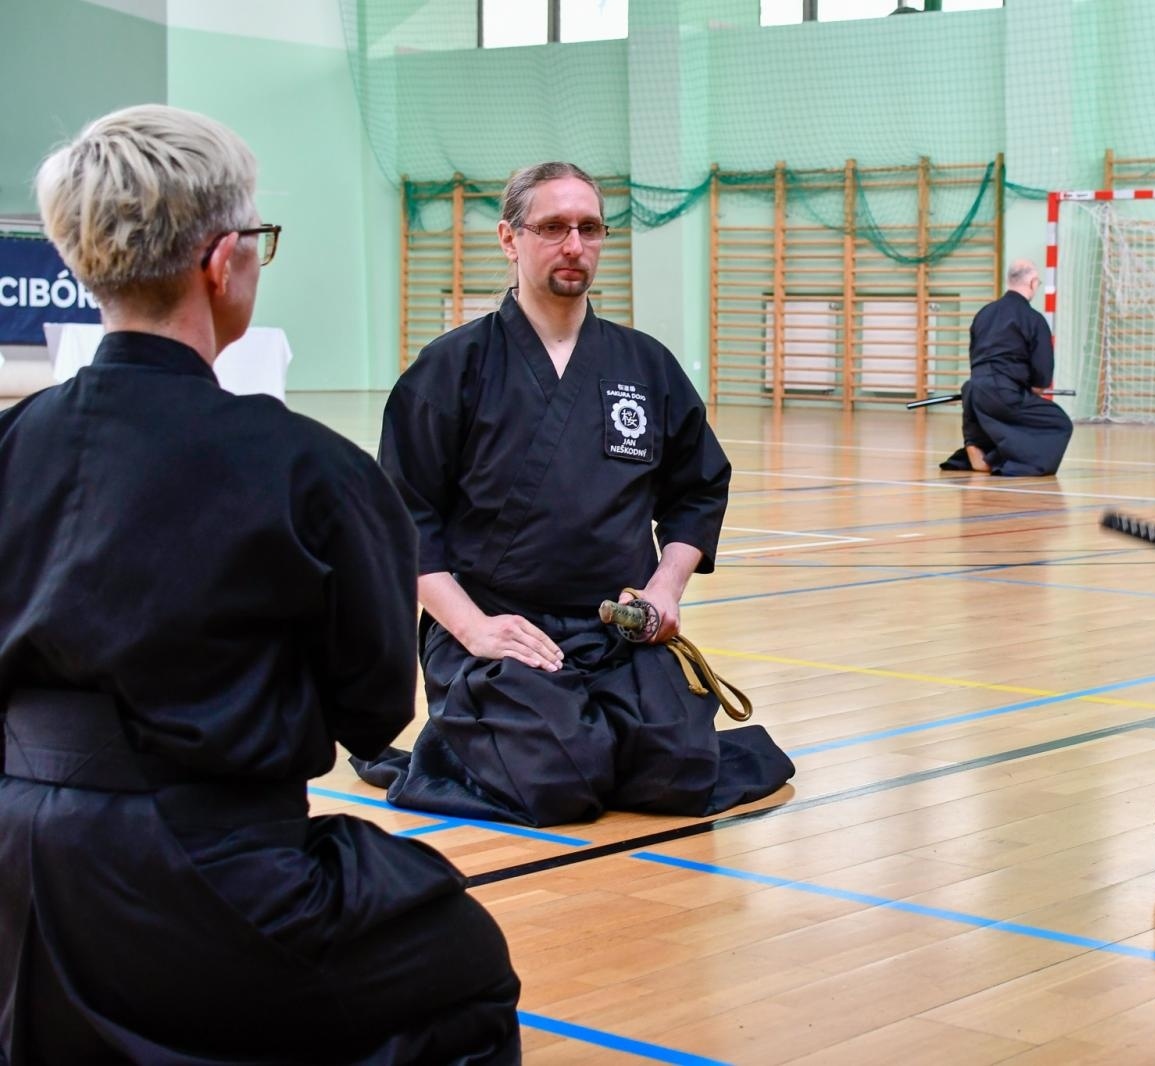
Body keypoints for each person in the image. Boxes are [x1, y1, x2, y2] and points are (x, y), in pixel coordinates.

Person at [0, 106, 520, 1064]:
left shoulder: (9, 440)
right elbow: (370, 715)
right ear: (221, 259)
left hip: (14, 871)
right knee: (466, 962)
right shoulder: (311, 469)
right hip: (209, 874)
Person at [353, 161, 794, 827]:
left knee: (680, 772)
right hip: (503, 631)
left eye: (589, 228)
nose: (574, 245)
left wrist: (665, 589)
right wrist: (473, 629)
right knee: (561, 781)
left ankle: (587, 732)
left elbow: (698, 488)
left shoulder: (645, 366)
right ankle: (479, 741)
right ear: (509, 239)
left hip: (615, 631)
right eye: (553, 227)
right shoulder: (453, 367)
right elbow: (402, 518)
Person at [939, 259, 1073, 477]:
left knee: (996, 416)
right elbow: (1042, 376)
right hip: (1003, 393)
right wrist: (1033, 387)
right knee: (1058, 422)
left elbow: (975, 357)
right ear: (1032, 282)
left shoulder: (984, 314)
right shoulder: (1033, 319)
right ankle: (1002, 461)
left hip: (973, 392)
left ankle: (974, 445)